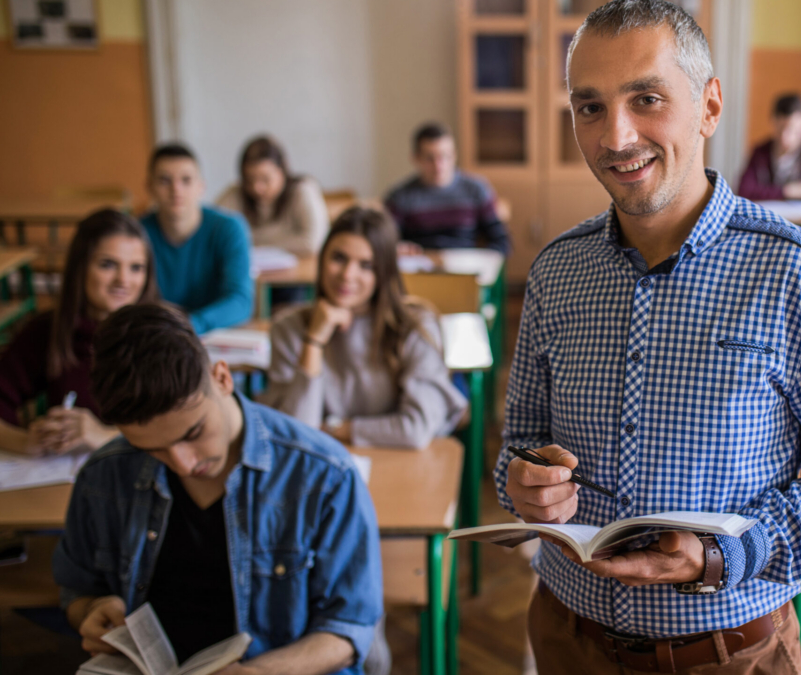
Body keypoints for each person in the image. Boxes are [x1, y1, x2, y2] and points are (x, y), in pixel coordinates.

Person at [496, 2, 801, 673]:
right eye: (589, 107)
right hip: (564, 636)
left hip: (729, 652)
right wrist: (522, 483)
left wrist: (723, 553)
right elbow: (518, 445)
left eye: (646, 99)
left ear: (709, 107)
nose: (616, 136)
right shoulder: (557, 269)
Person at [52, 304, 385, 675]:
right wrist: (90, 610)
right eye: (152, 449)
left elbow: (349, 629)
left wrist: (259, 673)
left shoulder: (325, 474)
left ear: (222, 378)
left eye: (193, 433)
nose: (183, 463)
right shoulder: (104, 474)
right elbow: (76, 590)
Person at [260, 206, 466, 448]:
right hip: (323, 467)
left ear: (383, 273)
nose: (347, 275)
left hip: (399, 464)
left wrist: (333, 428)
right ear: (322, 258)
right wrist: (314, 341)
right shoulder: (288, 328)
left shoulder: (414, 327)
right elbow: (295, 433)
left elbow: (415, 429)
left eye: (366, 265)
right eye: (339, 258)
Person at [0, 209, 158, 456]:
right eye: (107, 264)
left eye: (136, 268)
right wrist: (24, 441)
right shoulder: (50, 329)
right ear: (80, 267)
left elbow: (186, 424)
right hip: (64, 478)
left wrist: (105, 436)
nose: (123, 280)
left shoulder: (162, 334)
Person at [141, 143, 254, 333]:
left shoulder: (229, 229)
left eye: (186, 180)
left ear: (201, 186)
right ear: (149, 187)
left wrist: (191, 324)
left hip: (213, 334)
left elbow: (241, 302)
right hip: (156, 336)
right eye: (164, 180)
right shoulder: (137, 234)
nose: (176, 189)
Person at [381, 123, 512, 254]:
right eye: (429, 158)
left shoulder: (476, 189)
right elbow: (383, 242)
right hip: (418, 269)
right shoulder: (401, 196)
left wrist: (480, 261)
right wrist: (398, 249)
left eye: (444, 156)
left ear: (454, 155)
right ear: (416, 158)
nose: (438, 166)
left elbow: (501, 242)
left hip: (465, 267)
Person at [216, 135, 330, 255]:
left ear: (282, 171)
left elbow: (312, 243)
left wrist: (252, 242)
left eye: (265, 179)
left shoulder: (302, 191)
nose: (257, 188)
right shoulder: (236, 193)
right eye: (249, 180)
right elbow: (211, 230)